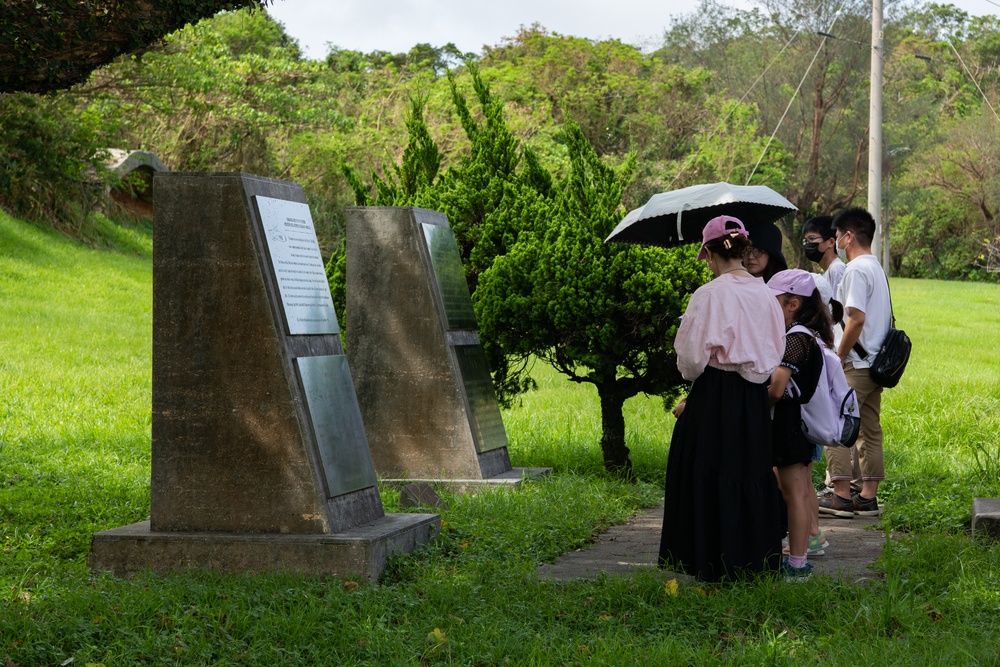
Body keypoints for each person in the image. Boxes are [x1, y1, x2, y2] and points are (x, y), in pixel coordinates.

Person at [659, 215, 786, 582]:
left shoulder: (709, 294)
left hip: (715, 393)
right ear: (744, 251)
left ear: (711, 255)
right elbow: (774, 351)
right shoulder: (767, 295)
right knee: (749, 471)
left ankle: (708, 563)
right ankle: (750, 563)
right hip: (753, 397)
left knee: (707, 471)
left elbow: (691, 360)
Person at [819, 207, 892, 518]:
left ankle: (840, 494)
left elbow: (856, 318)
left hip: (856, 364)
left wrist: (839, 354)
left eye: (836, 237)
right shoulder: (875, 267)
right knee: (869, 429)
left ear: (848, 237)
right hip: (875, 365)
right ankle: (867, 497)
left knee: (834, 424)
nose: (836, 243)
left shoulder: (855, 269)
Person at [766, 269, 832, 581]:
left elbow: (777, 390)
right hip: (797, 429)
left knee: (794, 495)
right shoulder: (807, 335)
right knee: (800, 493)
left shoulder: (796, 339)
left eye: (772, 301)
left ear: (792, 304)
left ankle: (796, 565)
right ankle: (798, 560)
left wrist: (748, 406)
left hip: (789, 427)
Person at [802, 215, 846, 297]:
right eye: (806, 240)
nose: (808, 244)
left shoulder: (836, 269)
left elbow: (840, 306)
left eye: (812, 238)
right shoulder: (827, 272)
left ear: (831, 242)